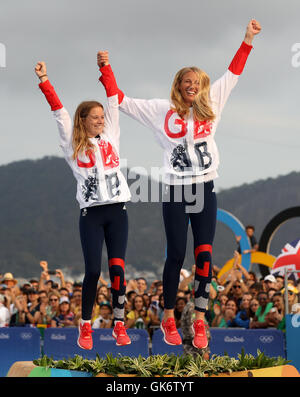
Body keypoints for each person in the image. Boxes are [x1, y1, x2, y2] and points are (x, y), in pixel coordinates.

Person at [115, 19, 261, 348]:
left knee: (205, 253)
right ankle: (168, 315)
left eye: (195, 81)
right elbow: (123, 102)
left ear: (201, 85)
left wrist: (248, 39)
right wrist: (107, 72)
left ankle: (198, 317)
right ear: (178, 86)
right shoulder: (161, 110)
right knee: (177, 254)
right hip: (176, 190)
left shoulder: (212, 105)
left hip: (205, 187)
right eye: (185, 81)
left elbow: (234, 74)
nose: (191, 85)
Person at [35, 50, 131, 349]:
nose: (101, 120)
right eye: (95, 117)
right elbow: (60, 113)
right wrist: (45, 81)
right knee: (92, 270)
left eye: (103, 117)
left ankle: (118, 323)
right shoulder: (72, 144)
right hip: (91, 214)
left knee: (117, 269)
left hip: (117, 212)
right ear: (84, 120)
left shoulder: (112, 135)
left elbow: (113, 99)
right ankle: (86, 325)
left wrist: (106, 67)